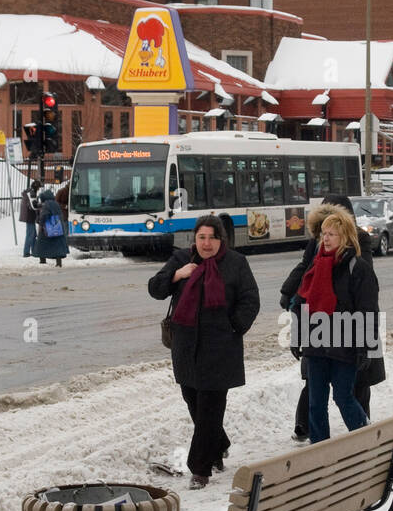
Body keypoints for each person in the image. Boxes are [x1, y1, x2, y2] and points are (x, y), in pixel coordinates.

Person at [148, 215, 260, 489]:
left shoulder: (236, 263)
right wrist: (178, 275)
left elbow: (250, 300)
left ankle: (200, 468)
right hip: (186, 347)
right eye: (201, 237)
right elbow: (155, 288)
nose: (206, 243)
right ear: (194, 239)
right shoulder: (182, 260)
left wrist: (233, 326)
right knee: (194, 401)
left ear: (221, 240)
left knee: (210, 406)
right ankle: (218, 444)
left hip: (220, 347)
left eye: (212, 238)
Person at [281, 197, 380, 442]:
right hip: (317, 341)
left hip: (344, 343)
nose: (325, 239)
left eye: (332, 234)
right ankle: (319, 448)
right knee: (316, 401)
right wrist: (297, 337)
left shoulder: (357, 267)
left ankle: (365, 441)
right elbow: (302, 303)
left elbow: (368, 310)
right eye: (324, 234)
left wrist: (366, 346)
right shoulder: (315, 266)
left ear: (345, 236)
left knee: (343, 397)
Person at [33, 188, 69, 267]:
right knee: (57, 245)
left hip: (48, 228)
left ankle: (42, 260)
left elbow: (44, 215)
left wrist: (40, 223)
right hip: (58, 227)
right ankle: (58, 262)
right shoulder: (55, 203)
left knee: (41, 243)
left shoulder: (47, 204)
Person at [19, 179, 41, 258]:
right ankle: (26, 253)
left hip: (29, 215)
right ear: (36, 187)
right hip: (29, 216)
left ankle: (34, 251)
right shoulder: (31, 193)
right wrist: (40, 205)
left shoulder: (30, 192)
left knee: (33, 233)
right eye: (38, 187)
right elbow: (33, 206)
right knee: (30, 234)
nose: (39, 189)